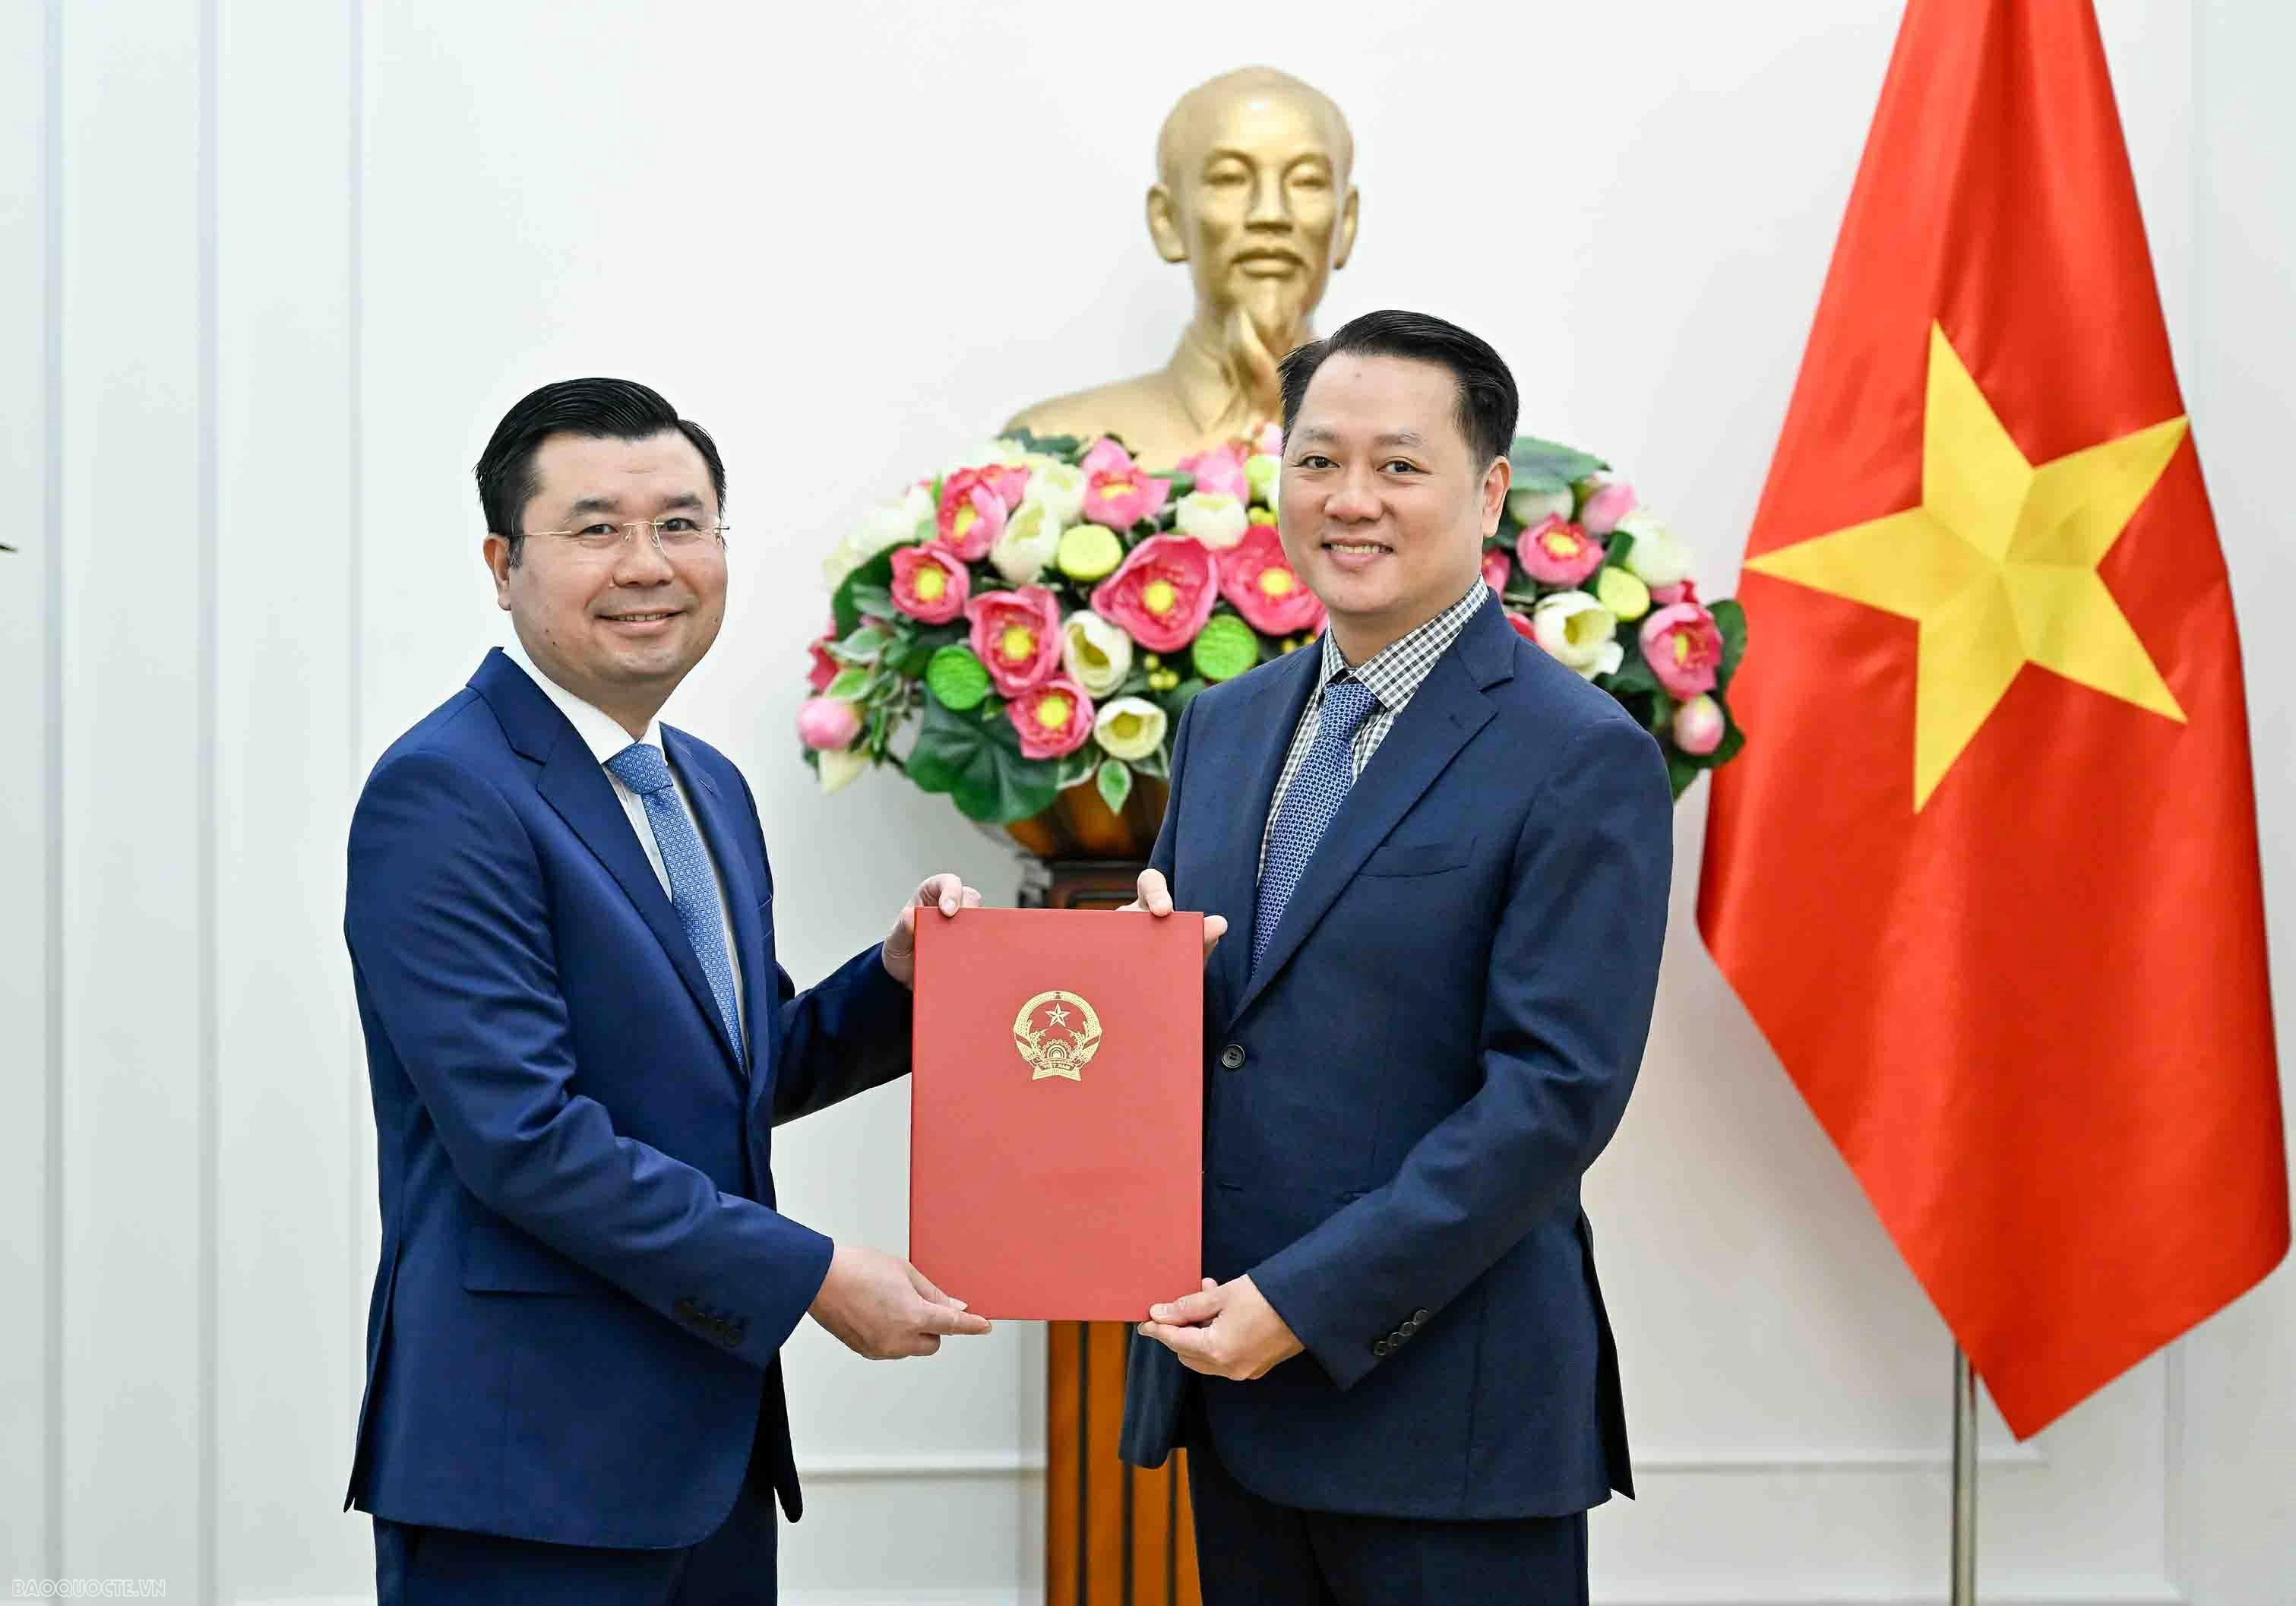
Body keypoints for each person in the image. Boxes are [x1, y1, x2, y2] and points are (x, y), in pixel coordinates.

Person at [342, 378, 991, 1605]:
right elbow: (525, 1138)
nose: (647, 564)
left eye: (681, 524)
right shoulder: (447, 791)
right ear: (502, 563)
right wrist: (810, 1273)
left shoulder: (702, 786)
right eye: (596, 528)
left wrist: (901, 981)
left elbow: (730, 1073)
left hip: (710, 1454)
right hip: (527, 1470)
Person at [1124, 310, 1673, 1604]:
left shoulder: (1578, 751)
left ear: (1487, 490)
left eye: (1399, 465)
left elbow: (1550, 1098)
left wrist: (1303, 1301)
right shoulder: (1223, 723)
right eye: (1316, 460)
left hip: (1447, 1418)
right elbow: (1237, 1028)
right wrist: (1132, 984)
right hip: (1229, 1395)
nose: (1349, 498)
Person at [1006, 65, 1359, 466]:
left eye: (1307, 181)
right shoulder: (1051, 456)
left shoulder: (1412, 444)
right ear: (1167, 220)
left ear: (1346, 223)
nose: (1270, 213)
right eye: (1229, 179)